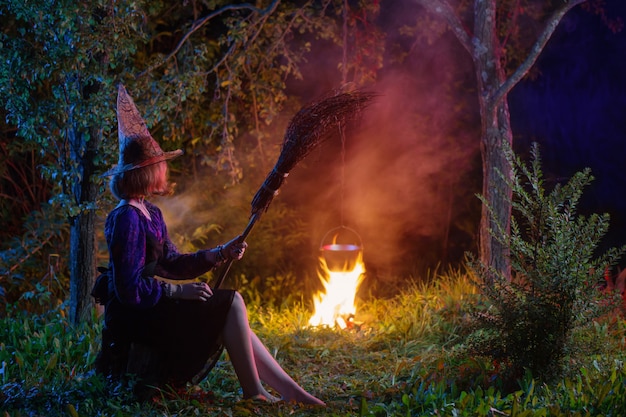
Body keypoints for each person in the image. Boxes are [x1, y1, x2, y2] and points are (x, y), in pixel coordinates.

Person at [94, 84, 324, 405]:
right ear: (145, 172)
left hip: (152, 306)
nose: (164, 169)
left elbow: (173, 262)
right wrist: (178, 292)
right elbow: (129, 290)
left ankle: (290, 392)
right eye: (159, 164)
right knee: (230, 303)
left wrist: (220, 253)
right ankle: (254, 392)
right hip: (136, 318)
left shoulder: (150, 213)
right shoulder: (126, 219)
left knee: (232, 313)